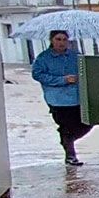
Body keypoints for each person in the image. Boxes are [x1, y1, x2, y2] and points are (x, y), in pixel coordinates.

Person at [32, 30, 92, 166]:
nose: (61, 42)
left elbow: (86, 71)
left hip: (77, 98)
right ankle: (70, 154)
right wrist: (62, 80)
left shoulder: (75, 56)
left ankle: (67, 140)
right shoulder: (43, 58)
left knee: (86, 123)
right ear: (52, 41)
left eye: (64, 39)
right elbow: (37, 75)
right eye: (58, 39)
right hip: (57, 99)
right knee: (66, 126)